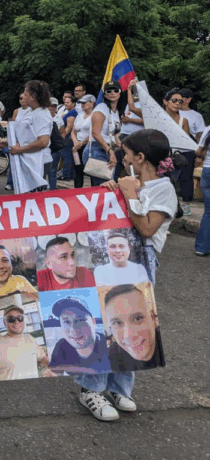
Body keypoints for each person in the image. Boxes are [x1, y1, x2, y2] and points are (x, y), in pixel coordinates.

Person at [75, 128, 177, 422]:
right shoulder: (129, 182)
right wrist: (110, 192)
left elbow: (146, 228)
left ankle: (120, 388)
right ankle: (91, 388)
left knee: (133, 324)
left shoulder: (163, 189)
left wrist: (130, 194)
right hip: (111, 261)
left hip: (141, 263)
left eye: (127, 154)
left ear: (140, 157)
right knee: (105, 321)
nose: (123, 159)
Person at [5, 80, 52, 193]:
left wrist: (20, 149)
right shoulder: (32, 112)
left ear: (33, 97)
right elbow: (27, 136)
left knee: (33, 197)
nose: (23, 97)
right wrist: (10, 142)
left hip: (37, 162)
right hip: (28, 160)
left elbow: (43, 142)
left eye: (25, 94)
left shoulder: (42, 114)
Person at [103, 285, 163, 372]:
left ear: (152, 318)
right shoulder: (111, 355)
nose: (129, 335)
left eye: (138, 318)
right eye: (117, 323)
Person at [48, 297, 109, 373]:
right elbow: (54, 374)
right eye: (66, 322)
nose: (73, 330)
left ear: (93, 322)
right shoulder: (61, 347)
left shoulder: (108, 348)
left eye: (80, 320)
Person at [0, 306, 48, 381]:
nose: (16, 322)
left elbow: (42, 357)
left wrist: (55, 367)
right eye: (11, 319)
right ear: (4, 322)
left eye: (20, 318)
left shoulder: (29, 338)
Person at [161, 87, 194, 216]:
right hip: (156, 158)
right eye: (174, 100)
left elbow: (185, 142)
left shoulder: (183, 121)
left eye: (180, 102)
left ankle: (168, 216)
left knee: (171, 187)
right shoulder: (156, 117)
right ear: (165, 101)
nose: (177, 104)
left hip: (173, 160)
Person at [86, 80, 122, 187]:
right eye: (109, 91)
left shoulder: (116, 112)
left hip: (109, 149)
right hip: (98, 149)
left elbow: (114, 133)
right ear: (105, 94)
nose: (112, 93)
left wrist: (118, 144)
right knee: (106, 185)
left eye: (115, 90)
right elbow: (95, 133)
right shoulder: (101, 108)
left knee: (106, 185)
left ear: (120, 93)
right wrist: (110, 151)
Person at [114, 79, 144, 180]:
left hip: (135, 135)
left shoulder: (144, 104)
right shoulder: (129, 103)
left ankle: (130, 180)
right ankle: (116, 180)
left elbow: (146, 121)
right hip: (124, 134)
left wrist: (129, 120)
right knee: (118, 158)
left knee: (130, 159)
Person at [71, 94, 95, 188]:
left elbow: (93, 132)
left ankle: (93, 191)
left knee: (92, 171)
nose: (82, 105)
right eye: (81, 103)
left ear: (91, 103)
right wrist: (75, 142)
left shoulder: (95, 116)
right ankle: (77, 190)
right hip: (77, 145)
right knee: (78, 169)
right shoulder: (79, 116)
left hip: (89, 145)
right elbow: (73, 131)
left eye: (84, 103)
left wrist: (81, 143)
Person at [195, 125, 210, 256]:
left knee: (208, 212)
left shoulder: (209, 129)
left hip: (207, 171)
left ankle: (201, 247)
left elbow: (199, 151)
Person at [58, 92, 77, 182]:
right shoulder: (68, 112)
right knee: (67, 156)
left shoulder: (72, 113)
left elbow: (69, 127)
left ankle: (66, 174)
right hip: (67, 137)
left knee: (67, 156)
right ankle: (68, 174)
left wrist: (62, 137)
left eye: (68, 102)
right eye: (65, 102)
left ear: (73, 104)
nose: (66, 104)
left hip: (67, 138)